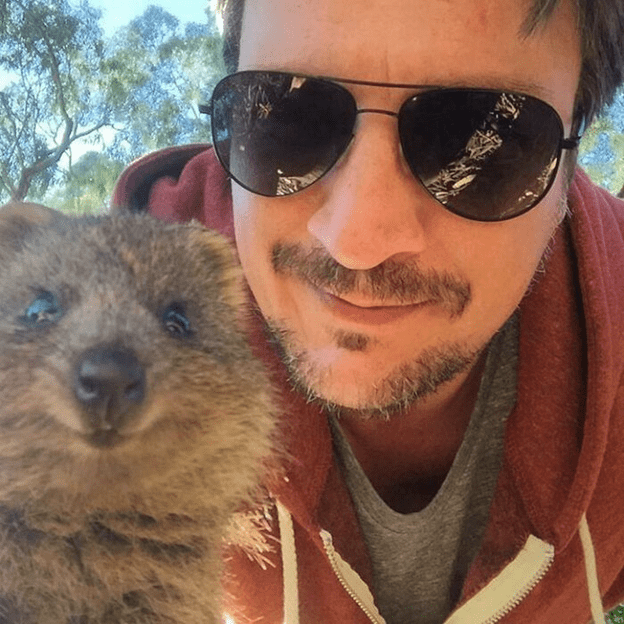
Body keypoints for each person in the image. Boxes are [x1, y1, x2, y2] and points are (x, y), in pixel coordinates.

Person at [112, 0, 624, 622]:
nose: (357, 239)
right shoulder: (93, 352)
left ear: (570, 173)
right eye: (283, 119)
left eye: (480, 140)